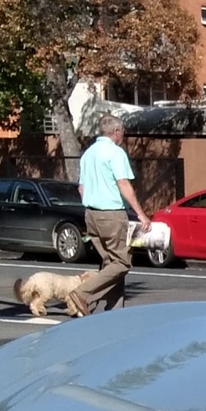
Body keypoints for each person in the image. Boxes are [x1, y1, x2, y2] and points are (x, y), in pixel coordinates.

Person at [69, 113, 146, 315]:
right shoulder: (115, 152)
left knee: (110, 264)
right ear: (116, 132)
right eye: (123, 133)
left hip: (91, 215)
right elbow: (123, 184)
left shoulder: (88, 154)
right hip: (111, 214)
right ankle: (82, 294)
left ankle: (113, 312)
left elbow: (81, 189)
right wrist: (141, 214)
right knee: (121, 263)